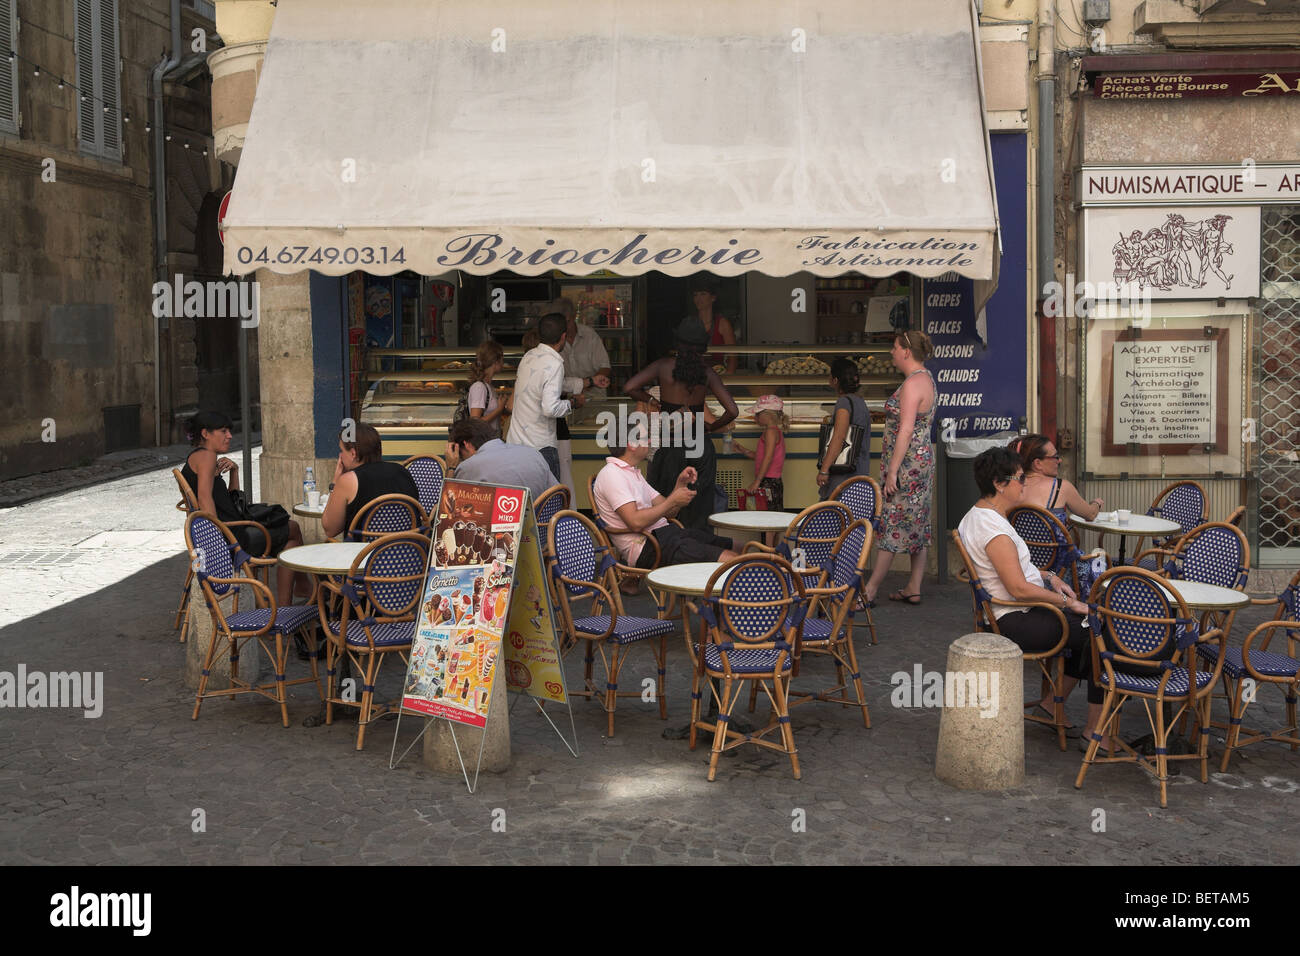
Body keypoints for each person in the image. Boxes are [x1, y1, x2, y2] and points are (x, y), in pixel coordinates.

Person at [957, 448, 1109, 750]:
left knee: (1091, 624)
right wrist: (1067, 602)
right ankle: (1097, 733)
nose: (1024, 485)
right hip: (1014, 618)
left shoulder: (983, 516)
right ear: (1001, 484)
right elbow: (1018, 588)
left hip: (1014, 611)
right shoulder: (992, 527)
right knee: (1099, 631)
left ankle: (1053, 704)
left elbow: (1011, 569)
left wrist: (1048, 576)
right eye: (1020, 479)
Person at [623, 316, 738, 530]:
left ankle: (668, 553)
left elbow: (629, 387)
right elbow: (732, 411)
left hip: (671, 446)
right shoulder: (707, 372)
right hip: (701, 447)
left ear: (678, 343)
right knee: (700, 507)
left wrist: (651, 400)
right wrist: (711, 426)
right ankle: (701, 554)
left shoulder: (663, 366)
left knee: (666, 505)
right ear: (702, 346)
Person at [181, 410, 304, 607]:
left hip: (232, 530)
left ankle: (284, 600)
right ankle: (290, 601)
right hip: (234, 539)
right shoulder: (207, 457)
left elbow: (230, 502)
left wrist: (234, 472)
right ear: (205, 434)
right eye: (223, 431)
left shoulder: (196, 458)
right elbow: (205, 501)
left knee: (288, 531)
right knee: (293, 530)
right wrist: (219, 543)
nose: (229, 436)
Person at [853, 331, 936, 605]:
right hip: (921, 461)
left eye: (894, 347)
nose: (891, 352)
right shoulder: (926, 378)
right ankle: (914, 586)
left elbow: (906, 428)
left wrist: (892, 471)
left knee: (891, 523)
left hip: (907, 464)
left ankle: (871, 589)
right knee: (918, 522)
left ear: (906, 352)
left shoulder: (913, 384)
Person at [592, 425, 738, 580]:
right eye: (645, 437)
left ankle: (724, 598)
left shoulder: (631, 472)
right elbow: (635, 522)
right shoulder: (612, 474)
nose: (650, 441)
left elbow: (670, 512)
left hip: (665, 536)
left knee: (733, 546)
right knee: (731, 560)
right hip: (648, 546)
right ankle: (736, 599)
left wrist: (679, 485)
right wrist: (672, 501)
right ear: (631, 444)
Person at [508, 313, 608, 480]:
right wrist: (574, 402)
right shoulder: (554, 363)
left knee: (525, 499)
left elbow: (553, 384)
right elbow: (550, 408)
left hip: (517, 444)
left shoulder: (529, 356)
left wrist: (589, 381)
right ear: (563, 336)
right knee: (549, 501)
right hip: (540, 447)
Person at [551, 297, 612, 499]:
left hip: (594, 404)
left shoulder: (589, 335)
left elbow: (605, 366)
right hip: (565, 405)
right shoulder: (553, 343)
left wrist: (592, 382)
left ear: (571, 318)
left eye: (564, 321)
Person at [322, 423, 420, 539]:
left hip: (364, 555)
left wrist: (335, 482)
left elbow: (330, 529)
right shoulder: (402, 471)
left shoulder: (348, 480)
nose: (340, 456)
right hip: (408, 553)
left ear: (353, 453)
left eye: (342, 450)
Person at [446, 417, 556, 502]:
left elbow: (448, 507)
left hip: (499, 530)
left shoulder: (468, 467)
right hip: (544, 527)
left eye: (461, 456)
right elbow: (557, 493)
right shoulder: (533, 453)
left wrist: (451, 467)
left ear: (466, 444)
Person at [730, 394, 787, 511]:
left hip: (768, 482)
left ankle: (770, 531)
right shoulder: (773, 431)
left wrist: (757, 482)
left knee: (768, 517)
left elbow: (768, 458)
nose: (755, 417)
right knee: (771, 514)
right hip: (770, 481)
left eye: (757, 414)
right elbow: (761, 456)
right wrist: (742, 450)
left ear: (768, 415)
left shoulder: (770, 432)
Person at [681, 274, 737, 374]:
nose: (698, 298)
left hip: (717, 374)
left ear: (713, 298)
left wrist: (727, 381)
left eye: (703, 294)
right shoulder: (689, 323)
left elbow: (732, 357)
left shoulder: (722, 324)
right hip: (694, 375)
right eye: (695, 295)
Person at [466, 340, 506, 437]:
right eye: (502, 359)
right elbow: (475, 422)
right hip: (483, 443)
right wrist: (499, 409)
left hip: (490, 441)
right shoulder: (479, 387)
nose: (503, 362)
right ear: (495, 362)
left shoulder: (488, 386)